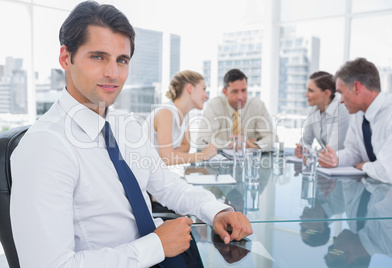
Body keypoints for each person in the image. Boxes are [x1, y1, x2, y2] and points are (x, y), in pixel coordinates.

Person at [9, 2, 252, 267]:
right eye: (98, 57)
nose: (113, 74)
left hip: (168, 254)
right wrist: (155, 246)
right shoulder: (44, 147)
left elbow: (167, 185)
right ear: (66, 58)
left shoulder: (124, 124)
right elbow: (49, 264)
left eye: (121, 60)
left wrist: (216, 210)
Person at [318, 58, 392, 184]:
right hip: (374, 192)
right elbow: (354, 153)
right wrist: (335, 159)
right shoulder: (359, 114)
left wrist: (363, 166)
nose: (340, 100)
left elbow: (389, 173)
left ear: (356, 87)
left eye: (341, 93)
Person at [142, 70, 217, 165]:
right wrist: (203, 155)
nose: (206, 96)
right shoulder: (166, 113)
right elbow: (167, 158)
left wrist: (172, 154)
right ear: (190, 88)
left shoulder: (184, 115)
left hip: (156, 171)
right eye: (203, 89)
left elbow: (185, 147)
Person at [196, 69, 274, 152]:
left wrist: (250, 145)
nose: (240, 97)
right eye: (235, 91)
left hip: (250, 161)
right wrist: (230, 145)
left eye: (243, 90)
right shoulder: (213, 106)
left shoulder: (258, 106)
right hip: (220, 161)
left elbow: (271, 139)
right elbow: (201, 140)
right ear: (225, 92)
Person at [295, 71, 350, 157]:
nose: (306, 95)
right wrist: (301, 150)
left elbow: (331, 152)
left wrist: (309, 152)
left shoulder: (342, 110)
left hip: (342, 165)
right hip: (326, 164)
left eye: (311, 91)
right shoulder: (314, 109)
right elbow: (305, 142)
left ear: (326, 93)